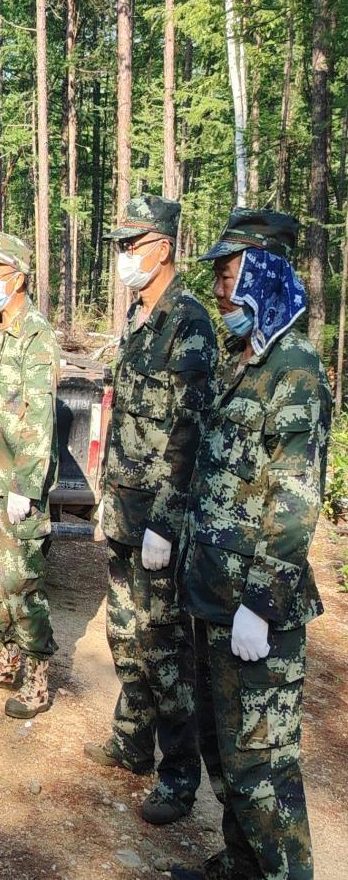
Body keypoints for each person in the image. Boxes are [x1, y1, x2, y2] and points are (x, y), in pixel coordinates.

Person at [172, 209, 329, 880]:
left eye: (229, 273)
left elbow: (293, 502)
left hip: (254, 610)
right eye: (215, 274)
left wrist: (260, 604)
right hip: (214, 595)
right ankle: (240, 866)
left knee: (263, 769)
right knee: (225, 754)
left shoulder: (293, 370)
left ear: (265, 273)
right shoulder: (244, 362)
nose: (218, 289)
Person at [83, 195, 217, 825]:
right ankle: (133, 741)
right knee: (124, 632)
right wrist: (106, 494)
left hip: (159, 518)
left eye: (130, 246)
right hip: (124, 507)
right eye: (119, 246)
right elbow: (125, 420)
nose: (122, 257)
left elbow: (187, 431)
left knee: (165, 649)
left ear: (163, 248)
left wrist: (167, 520)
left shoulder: (188, 322)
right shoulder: (138, 317)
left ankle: (179, 774)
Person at [0, 232, 59, 718]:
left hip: (18, 485)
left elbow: (40, 418)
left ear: (19, 278)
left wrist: (25, 485)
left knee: (22, 585)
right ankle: (6, 658)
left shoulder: (36, 335)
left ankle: (37, 680)